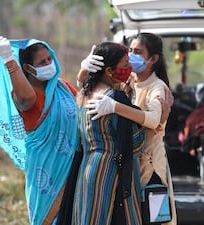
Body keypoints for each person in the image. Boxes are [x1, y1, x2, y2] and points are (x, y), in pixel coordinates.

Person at [0, 35, 81, 225]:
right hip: (46, 172)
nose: (48, 64)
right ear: (28, 68)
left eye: (49, 59)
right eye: (41, 62)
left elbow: (83, 107)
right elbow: (27, 98)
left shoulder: (63, 88)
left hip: (74, 169)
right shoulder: (26, 95)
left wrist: (84, 74)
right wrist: (9, 61)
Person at [82, 32, 177, 225]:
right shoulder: (128, 81)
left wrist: (115, 107)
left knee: (155, 220)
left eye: (138, 52)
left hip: (150, 167)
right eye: (130, 50)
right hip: (131, 164)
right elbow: (88, 90)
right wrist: (85, 70)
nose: (132, 55)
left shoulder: (157, 88)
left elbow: (152, 120)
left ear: (153, 59)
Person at [72, 41, 146, 225]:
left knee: (89, 217)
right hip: (113, 170)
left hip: (87, 168)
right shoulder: (114, 100)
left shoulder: (82, 95)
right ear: (109, 71)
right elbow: (136, 143)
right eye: (125, 65)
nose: (129, 69)